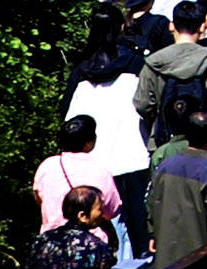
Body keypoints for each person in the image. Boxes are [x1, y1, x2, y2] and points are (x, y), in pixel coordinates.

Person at [64, 48, 153, 242]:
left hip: (96, 161)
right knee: (139, 217)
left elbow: (69, 119)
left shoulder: (82, 79)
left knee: (106, 221)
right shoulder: (134, 73)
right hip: (134, 155)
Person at [146, 107, 207, 267]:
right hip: (201, 263)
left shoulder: (166, 165)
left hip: (166, 263)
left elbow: (153, 203)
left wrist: (152, 233)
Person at [138, 0, 207, 145]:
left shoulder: (154, 62)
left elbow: (143, 104)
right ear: (203, 27)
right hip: (205, 140)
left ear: (171, 26)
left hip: (166, 140)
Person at [30, 114, 124, 237]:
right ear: (89, 143)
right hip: (90, 242)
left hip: (52, 241)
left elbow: (39, 198)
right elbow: (112, 211)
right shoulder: (100, 171)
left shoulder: (47, 166)